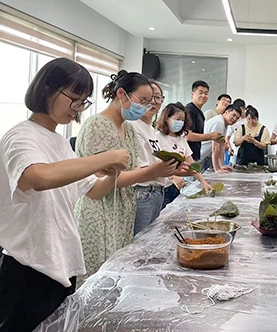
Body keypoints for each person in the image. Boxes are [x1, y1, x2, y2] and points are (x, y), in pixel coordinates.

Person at [0, 58, 129, 332]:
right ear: (46, 90)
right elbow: (38, 177)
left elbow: (94, 190)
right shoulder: (20, 136)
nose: (78, 109)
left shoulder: (60, 142)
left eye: (83, 101)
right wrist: (104, 158)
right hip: (28, 266)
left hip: (60, 261)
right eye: (73, 99)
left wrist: (112, 173)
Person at [75, 70, 183, 280]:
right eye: (142, 101)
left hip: (123, 210)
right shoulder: (98, 125)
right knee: (98, 276)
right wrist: (152, 172)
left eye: (149, 102)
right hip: (99, 211)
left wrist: (162, 170)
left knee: (119, 271)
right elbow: (100, 180)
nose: (146, 107)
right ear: (121, 94)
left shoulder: (128, 129)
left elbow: (129, 171)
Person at [129, 80, 173, 235]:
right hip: (143, 193)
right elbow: (141, 168)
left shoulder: (150, 129)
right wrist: (166, 169)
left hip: (156, 192)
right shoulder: (133, 125)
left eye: (158, 97)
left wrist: (174, 167)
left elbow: (155, 163)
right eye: (150, 97)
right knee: (140, 242)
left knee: (150, 239)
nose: (154, 102)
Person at [156, 102, 214, 207]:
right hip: (162, 189)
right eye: (177, 119)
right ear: (167, 118)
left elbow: (192, 164)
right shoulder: (158, 138)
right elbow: (155, 164)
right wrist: (173, 177)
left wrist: (204, 183)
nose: (180, 123)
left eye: (183, 120)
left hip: (176, 187)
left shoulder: (181, 139)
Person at [185, 81, 221, 160]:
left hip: (195, 154)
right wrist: (210, 136)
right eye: (200, 93)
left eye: (206, 93)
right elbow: (188, 136)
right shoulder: (189, 110)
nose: (203, 95)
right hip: (187, 157)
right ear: (192, 94)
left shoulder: (200, 113)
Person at [201, 105, 242, 171]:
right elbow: (215, 148)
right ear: (226, 112)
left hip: (203, 156)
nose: (234, 119)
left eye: (237, 118)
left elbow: (221, 146)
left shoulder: (224, 125)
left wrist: (222, 165)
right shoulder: (219, 123)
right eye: (233, 115)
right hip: (198, 156)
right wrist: (217, 169)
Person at [226, 98, 246, 165]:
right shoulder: (233, 121)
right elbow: (227, 137)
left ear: (244, 108)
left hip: (246, 152)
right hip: (235, 151)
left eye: (240, 110)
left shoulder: (248, 120)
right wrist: (229, 148)